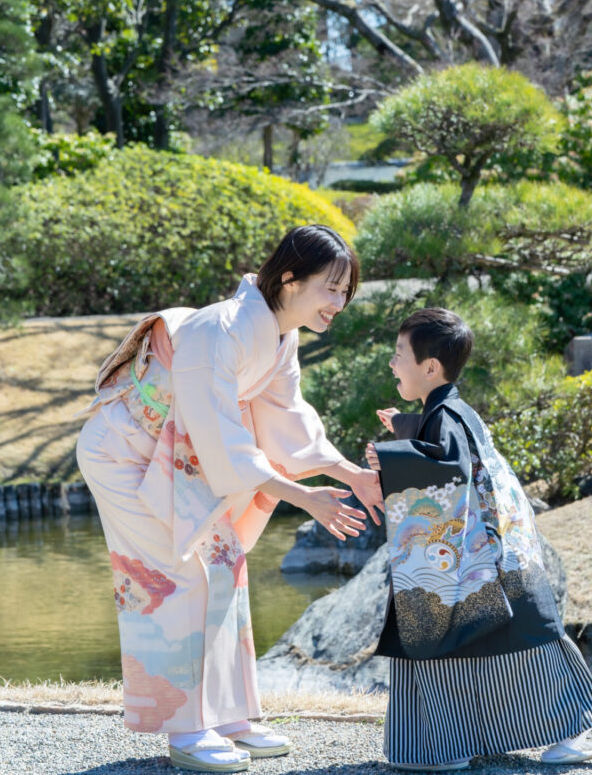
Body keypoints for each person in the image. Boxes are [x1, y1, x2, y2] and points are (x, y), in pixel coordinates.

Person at [77, 225, 383, 773]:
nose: (339, 303)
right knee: (179, 575)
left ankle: (231, 715)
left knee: (224, 564)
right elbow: (224, 440)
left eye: (345, 292)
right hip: (124, 458)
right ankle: (186, 728)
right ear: (289, 279)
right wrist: (301, 496)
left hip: (169, 462)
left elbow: (287, 421)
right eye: (330, 289)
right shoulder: (219, 330)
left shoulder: (278, 335)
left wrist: (349, 472)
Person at [365, 308, 592, 772]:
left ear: (429, 367)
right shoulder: (450, 409)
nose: (393, 365)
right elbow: (445, 451)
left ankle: (448, 747)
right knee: (515, 646)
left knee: (465, 646)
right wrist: (403, 430)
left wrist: (389, 458)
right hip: (495, 553)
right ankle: (556, 739)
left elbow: (447, 469)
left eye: (400, 355)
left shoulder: (445, 415)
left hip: (477, 559)